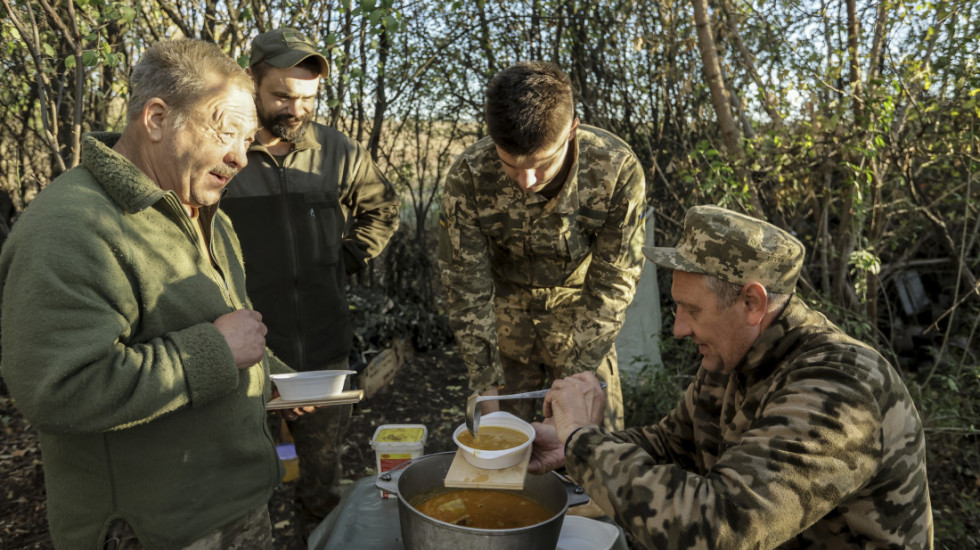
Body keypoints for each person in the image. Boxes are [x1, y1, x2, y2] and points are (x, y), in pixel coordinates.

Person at [0, 39, 290, 549]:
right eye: (227, 132)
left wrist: (278, 379)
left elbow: (213, 327)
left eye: (248, 140)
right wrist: (216, 352)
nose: (241, 157)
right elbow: (60, 388)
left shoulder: (200, 208)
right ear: (156, 118)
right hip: (154, 530)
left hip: (234, 506)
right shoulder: (71, 227)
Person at [529, 205, 934, 549]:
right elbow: (671, 445)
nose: (679, 329)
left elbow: (719, 529)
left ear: (752, 302)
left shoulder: (841, 389)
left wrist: (583, 440)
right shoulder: (732, 359)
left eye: (692, 310)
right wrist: (570, 447)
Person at [220, 28, 400, 532]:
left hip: (322, 351)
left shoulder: (336, 152)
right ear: (249, 82)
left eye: (308, 98)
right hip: (243, 358)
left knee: (321, 488)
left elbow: (382, 207)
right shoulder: (223, 156)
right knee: (240, 495)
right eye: (281, 94)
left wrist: (343, 259)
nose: (295, 109)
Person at [437, 61, 646, 430]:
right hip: (503, 332)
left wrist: (577, 382)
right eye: (510, 166)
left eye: (539, 165)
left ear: (572, 131)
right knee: (500, 456)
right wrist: (486, 384)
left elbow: (614, 282)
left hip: (583, 321)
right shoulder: (469, 175)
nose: (525, 180)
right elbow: (465, 286)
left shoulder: (615, 170)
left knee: (596, 456)